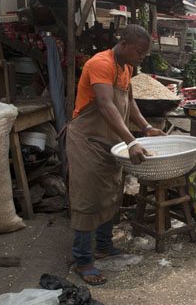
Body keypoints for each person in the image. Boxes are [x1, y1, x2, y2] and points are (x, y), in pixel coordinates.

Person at [67, 24, 164, 285]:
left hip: (110, 141)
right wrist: (132, 141)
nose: (142, 57)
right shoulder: (101, 63)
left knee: (110, 193)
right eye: (140, 52)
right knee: (87, 198)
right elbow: (105, 104)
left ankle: (103, 245)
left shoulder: (127, 67)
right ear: (124, 45)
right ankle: (83, 260)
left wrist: (145, 127)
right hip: (87, 139)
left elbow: (128, 102)